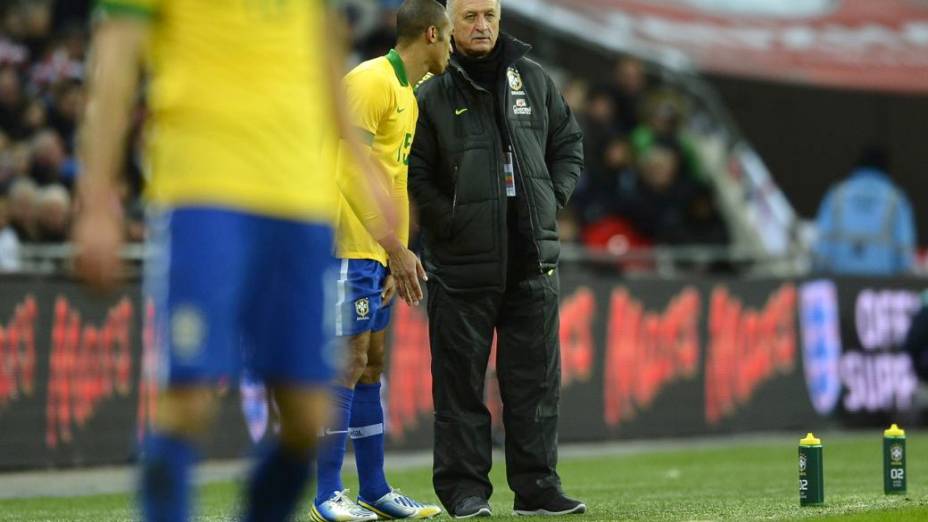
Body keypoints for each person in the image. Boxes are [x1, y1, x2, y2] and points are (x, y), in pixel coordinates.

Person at [75, 1, 393, 521]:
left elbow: (322, 51)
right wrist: (96, 201)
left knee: (306, 412)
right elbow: (114, 61)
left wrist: (363, 169)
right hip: (203, 189)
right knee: (189, 399)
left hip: (300, 198)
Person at [408, 0, 586, 517]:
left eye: (489, 14)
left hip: (531, 259)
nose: (481, 25)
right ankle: (465, 491)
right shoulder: (433, 90)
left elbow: (568, 142)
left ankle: (537, 487)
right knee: (460, 387)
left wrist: (552, 198)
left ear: (501, 19)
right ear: (447, 25)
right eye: (470, 16)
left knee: (535, 385)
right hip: (462, 267)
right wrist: (451, 222)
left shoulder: (531, 78)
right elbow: (414, 173)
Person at [312, 1, 451, 521]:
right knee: (346, 363)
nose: (455, 47)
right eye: (452, 37)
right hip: (343, 243)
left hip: (375, 249)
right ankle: (327, 493)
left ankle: (374, 487)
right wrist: (392, 245)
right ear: (432, 34)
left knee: (371, 364)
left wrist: (396, 252)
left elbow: (394, 180)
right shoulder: (368, 81)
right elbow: (348, 170)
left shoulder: (408, 95)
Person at [813, 148, 916, 275]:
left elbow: (821, 248)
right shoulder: (896, 199)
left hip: (838, 284)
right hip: (881, 288)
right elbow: (905, 255)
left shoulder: (836, 194)